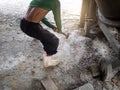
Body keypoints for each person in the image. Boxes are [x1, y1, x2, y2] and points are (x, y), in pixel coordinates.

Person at [20, 0, 65, 67]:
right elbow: (57, 18)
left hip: (23, 24)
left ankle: (36, 37)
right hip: (32, 27)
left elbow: (42, 18)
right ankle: (48, 62)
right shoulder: (55, 2)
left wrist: (52, 27)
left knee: (40, 29)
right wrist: (59, 28)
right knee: (54, 40)